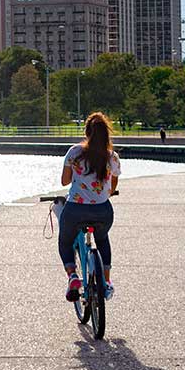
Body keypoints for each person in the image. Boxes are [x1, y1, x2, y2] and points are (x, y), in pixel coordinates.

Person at [56, 111, 121, 303]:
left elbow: (64, 181)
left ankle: (73, 276)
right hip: (102, 211)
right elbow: (113, 185)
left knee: (65, 242)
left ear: (87, 132)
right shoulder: (112, 157)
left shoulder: (75, 152)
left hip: (75, 209)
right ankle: (106, 282)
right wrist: (104, 193)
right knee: (102, 240)